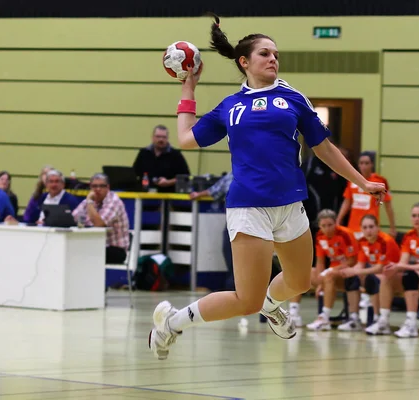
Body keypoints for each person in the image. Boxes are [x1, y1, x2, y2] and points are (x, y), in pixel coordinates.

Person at [148, 14, 387, 360]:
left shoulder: (293, 98)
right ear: (244, 62)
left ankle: (273, 305)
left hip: (290, 205)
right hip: (249, 207)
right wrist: (188, 88)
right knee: (246, 300)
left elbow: (323, 147)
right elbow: (185, 138)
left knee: (301, 281)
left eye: (276, 54)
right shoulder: (231, 106)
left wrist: (362, 182)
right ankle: (172, 324)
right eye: (265, 53)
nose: (273, 58)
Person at [365, 202, 419, 337]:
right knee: (388, 275)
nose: (416, 219)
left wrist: (400, 267)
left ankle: (411, 325)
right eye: (414, 216)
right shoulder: (409, 236)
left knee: (410, 275)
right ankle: (383, 322)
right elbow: (402, 263)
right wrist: (393, 269)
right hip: (418, 279)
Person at [340, 214, 401, 326]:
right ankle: (354, 319)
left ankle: (377, 319)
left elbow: (380, 268)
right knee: (351, 278)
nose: (368, 230)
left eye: (371, 227)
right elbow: (360, 264)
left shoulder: (385, 241)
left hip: (393, 276)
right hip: (378, 274)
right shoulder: (363, 242)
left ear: (378, 227)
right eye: (365, 227)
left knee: (372, 279)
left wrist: (355, 271)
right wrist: (350, 271)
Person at [306, 209, 360, 331]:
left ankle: (324, 318)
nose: (327, 229)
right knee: (304, 273)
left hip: (349, 272)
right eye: (323, 226)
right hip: (331, 272)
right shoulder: (319, 236)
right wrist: (321, 283)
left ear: (336, 223)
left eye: (330, 225)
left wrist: (329, 272)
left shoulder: (345, 234)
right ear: (319, 226)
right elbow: (320, 262)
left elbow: (352, 261)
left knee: (329, 276)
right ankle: (293, 313)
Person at [190, 172, 235, 290]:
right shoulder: (233, 174)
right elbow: (215, 190)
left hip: (254, 223)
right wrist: (199, 194)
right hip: (232, 222)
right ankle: (233, 287)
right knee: (229, 253)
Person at [73, 173, 130, 264]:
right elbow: (74, 218)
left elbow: (99, 224)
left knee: (80, 254)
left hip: (115, 250)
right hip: (96, 244)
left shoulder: (114, 201)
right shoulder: (89, 201)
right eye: (94, 186)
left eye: (102, 186)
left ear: (108, 187)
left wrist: (89, 203)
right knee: (71, 249)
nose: (98, 189)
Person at [337, 152, 396, 239]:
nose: (364, 166)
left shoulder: (379, 181)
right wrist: (338, 220)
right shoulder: (352, 180)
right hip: (353, 227)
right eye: (361, 163)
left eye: (367, 163)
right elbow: (347, 202)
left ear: (372, 165)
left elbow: (388, 205)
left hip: (371, 227)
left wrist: (392, 227)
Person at [132, 124, 191, 193]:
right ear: (152, 137)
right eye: (158, 137)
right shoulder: (144, 153)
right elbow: (134, 173)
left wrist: (168, 182)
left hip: (169, 197)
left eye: (164, 137)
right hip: (145, 197)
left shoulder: (176, 155)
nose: (161, 139)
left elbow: (186, 177)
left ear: (167, 138)